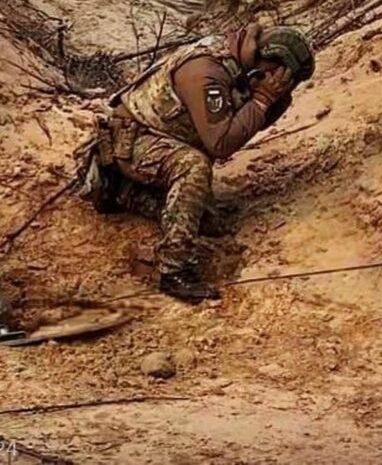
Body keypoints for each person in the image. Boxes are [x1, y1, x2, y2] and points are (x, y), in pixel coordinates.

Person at [79, 23, 314, 302]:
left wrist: (271, 100)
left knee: (207, 222)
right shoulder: (207, 70)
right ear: (270, 63)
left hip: (162, 138)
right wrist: (262, 99)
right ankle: (174, 270)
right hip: (131, 141)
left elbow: (248, 126)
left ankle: (122, 191)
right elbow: (221, 143)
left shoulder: (240, 62)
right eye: (283, 78)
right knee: (193, 166)